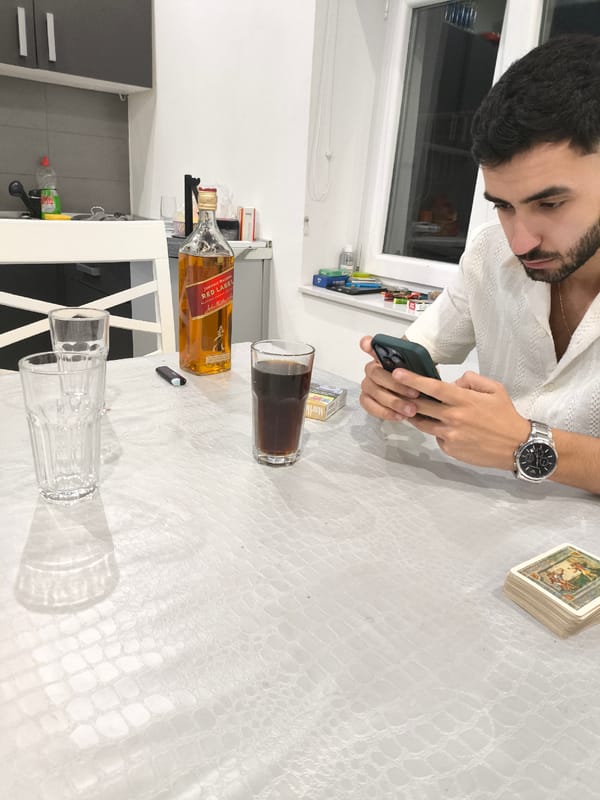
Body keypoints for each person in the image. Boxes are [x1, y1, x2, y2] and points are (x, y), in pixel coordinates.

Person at [359, 34, 600, 494]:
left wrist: (527, 444)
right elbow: (419, 347)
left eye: (549, 204)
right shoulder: (491, 252)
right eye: (503, 206)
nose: (521, 242)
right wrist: (389, 386)